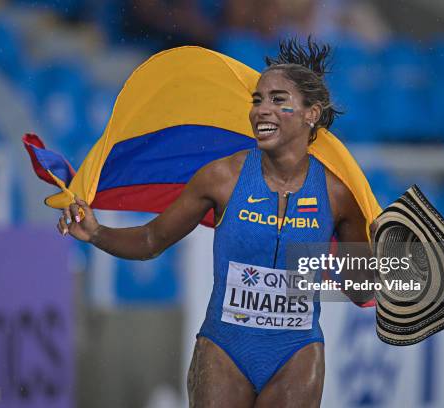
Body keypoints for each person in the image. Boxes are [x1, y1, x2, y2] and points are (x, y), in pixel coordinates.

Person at [57, 37, 374, 407]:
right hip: (225, 348)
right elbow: (150, 241)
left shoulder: (337, 196)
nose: (261, 111)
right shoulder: (221, 178)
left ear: (311, 114)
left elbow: (362, 291)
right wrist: (95, 232)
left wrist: (354, 263)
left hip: (296, 352)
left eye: (277, 100)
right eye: (257, 100)